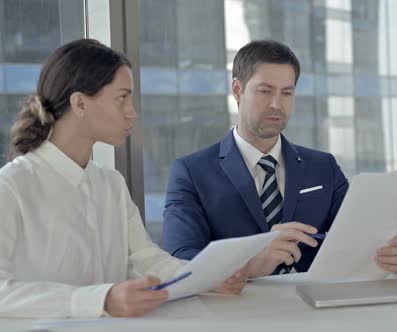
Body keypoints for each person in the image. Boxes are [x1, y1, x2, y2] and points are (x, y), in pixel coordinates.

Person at [0, 39, 246, 319]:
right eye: (122, 98)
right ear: (80, 103)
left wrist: (203, 278)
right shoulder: (11, 186)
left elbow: (144, 258)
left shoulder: (110, 183)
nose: (132, 112)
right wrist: (99, 300)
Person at [162, 40, 397, 277]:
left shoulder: (323, 167)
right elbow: (181, 258)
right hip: (233, 316)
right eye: (265, 91)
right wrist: (250, 265)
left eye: (287, 93)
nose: (276, 104)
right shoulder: (191, 172)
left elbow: (356, 241)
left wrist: (390, 255)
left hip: (315, 314)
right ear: (237, 90)